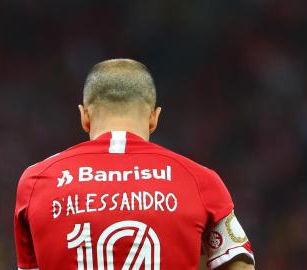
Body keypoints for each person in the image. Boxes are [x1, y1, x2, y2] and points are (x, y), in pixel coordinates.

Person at [14, 59, 255, 270]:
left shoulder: (36, 181)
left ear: (84, 117)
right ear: (154, 118)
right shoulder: (200, 181)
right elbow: (239, 262)